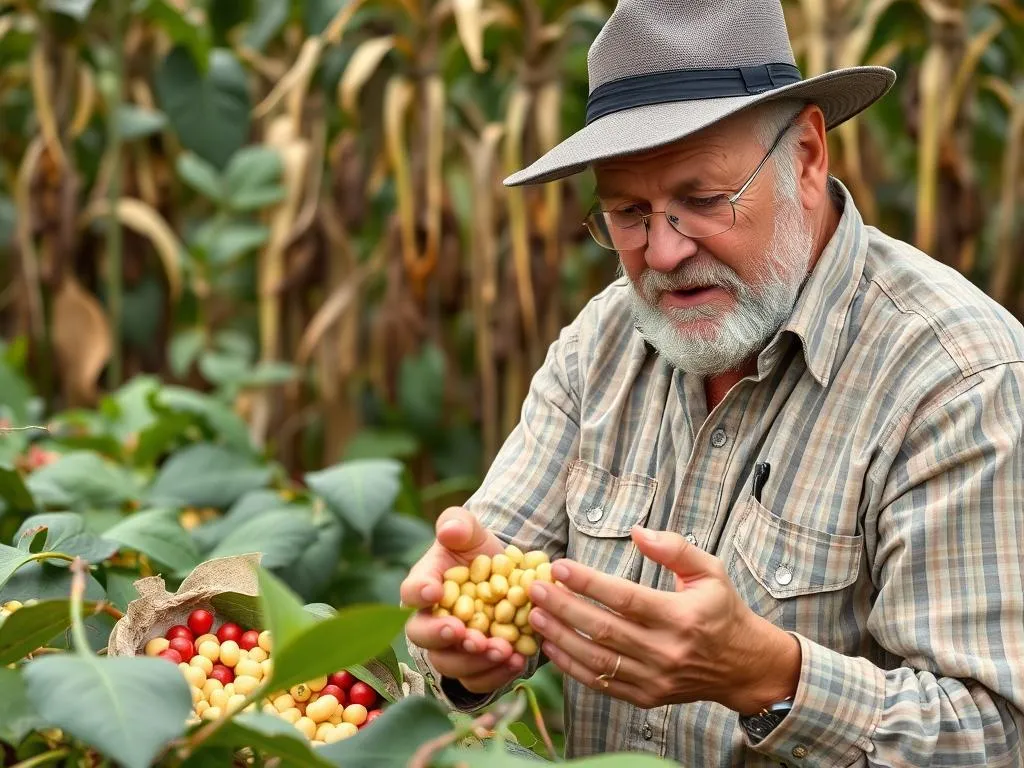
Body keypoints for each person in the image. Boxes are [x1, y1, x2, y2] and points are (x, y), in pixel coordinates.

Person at [400, 0, 1024, 764]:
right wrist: (459, 654)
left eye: (701, 200)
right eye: (628, 213)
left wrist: (770, 677)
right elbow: (470, 598)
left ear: (805, 155)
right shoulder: (601, 345)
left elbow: (998, 733)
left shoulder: (959, 380)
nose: (661, 253)